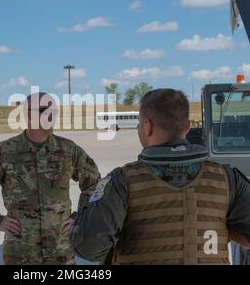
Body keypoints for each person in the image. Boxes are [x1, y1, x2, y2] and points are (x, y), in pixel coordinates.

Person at [70, 88, 250, 265]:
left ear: (147, 126)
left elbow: (89, 249)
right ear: (187, 127)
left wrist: (77, 227)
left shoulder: (122, 181)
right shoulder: (227, 178)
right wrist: (216, 224)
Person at [0, 92, 100, 265]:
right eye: (45, 110)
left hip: (60, 251)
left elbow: (95, 183)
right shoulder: (4, 152)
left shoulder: (69, 150)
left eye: (54, 110)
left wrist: (81, 216)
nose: (51, 115)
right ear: (29, 114)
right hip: (20, 254)